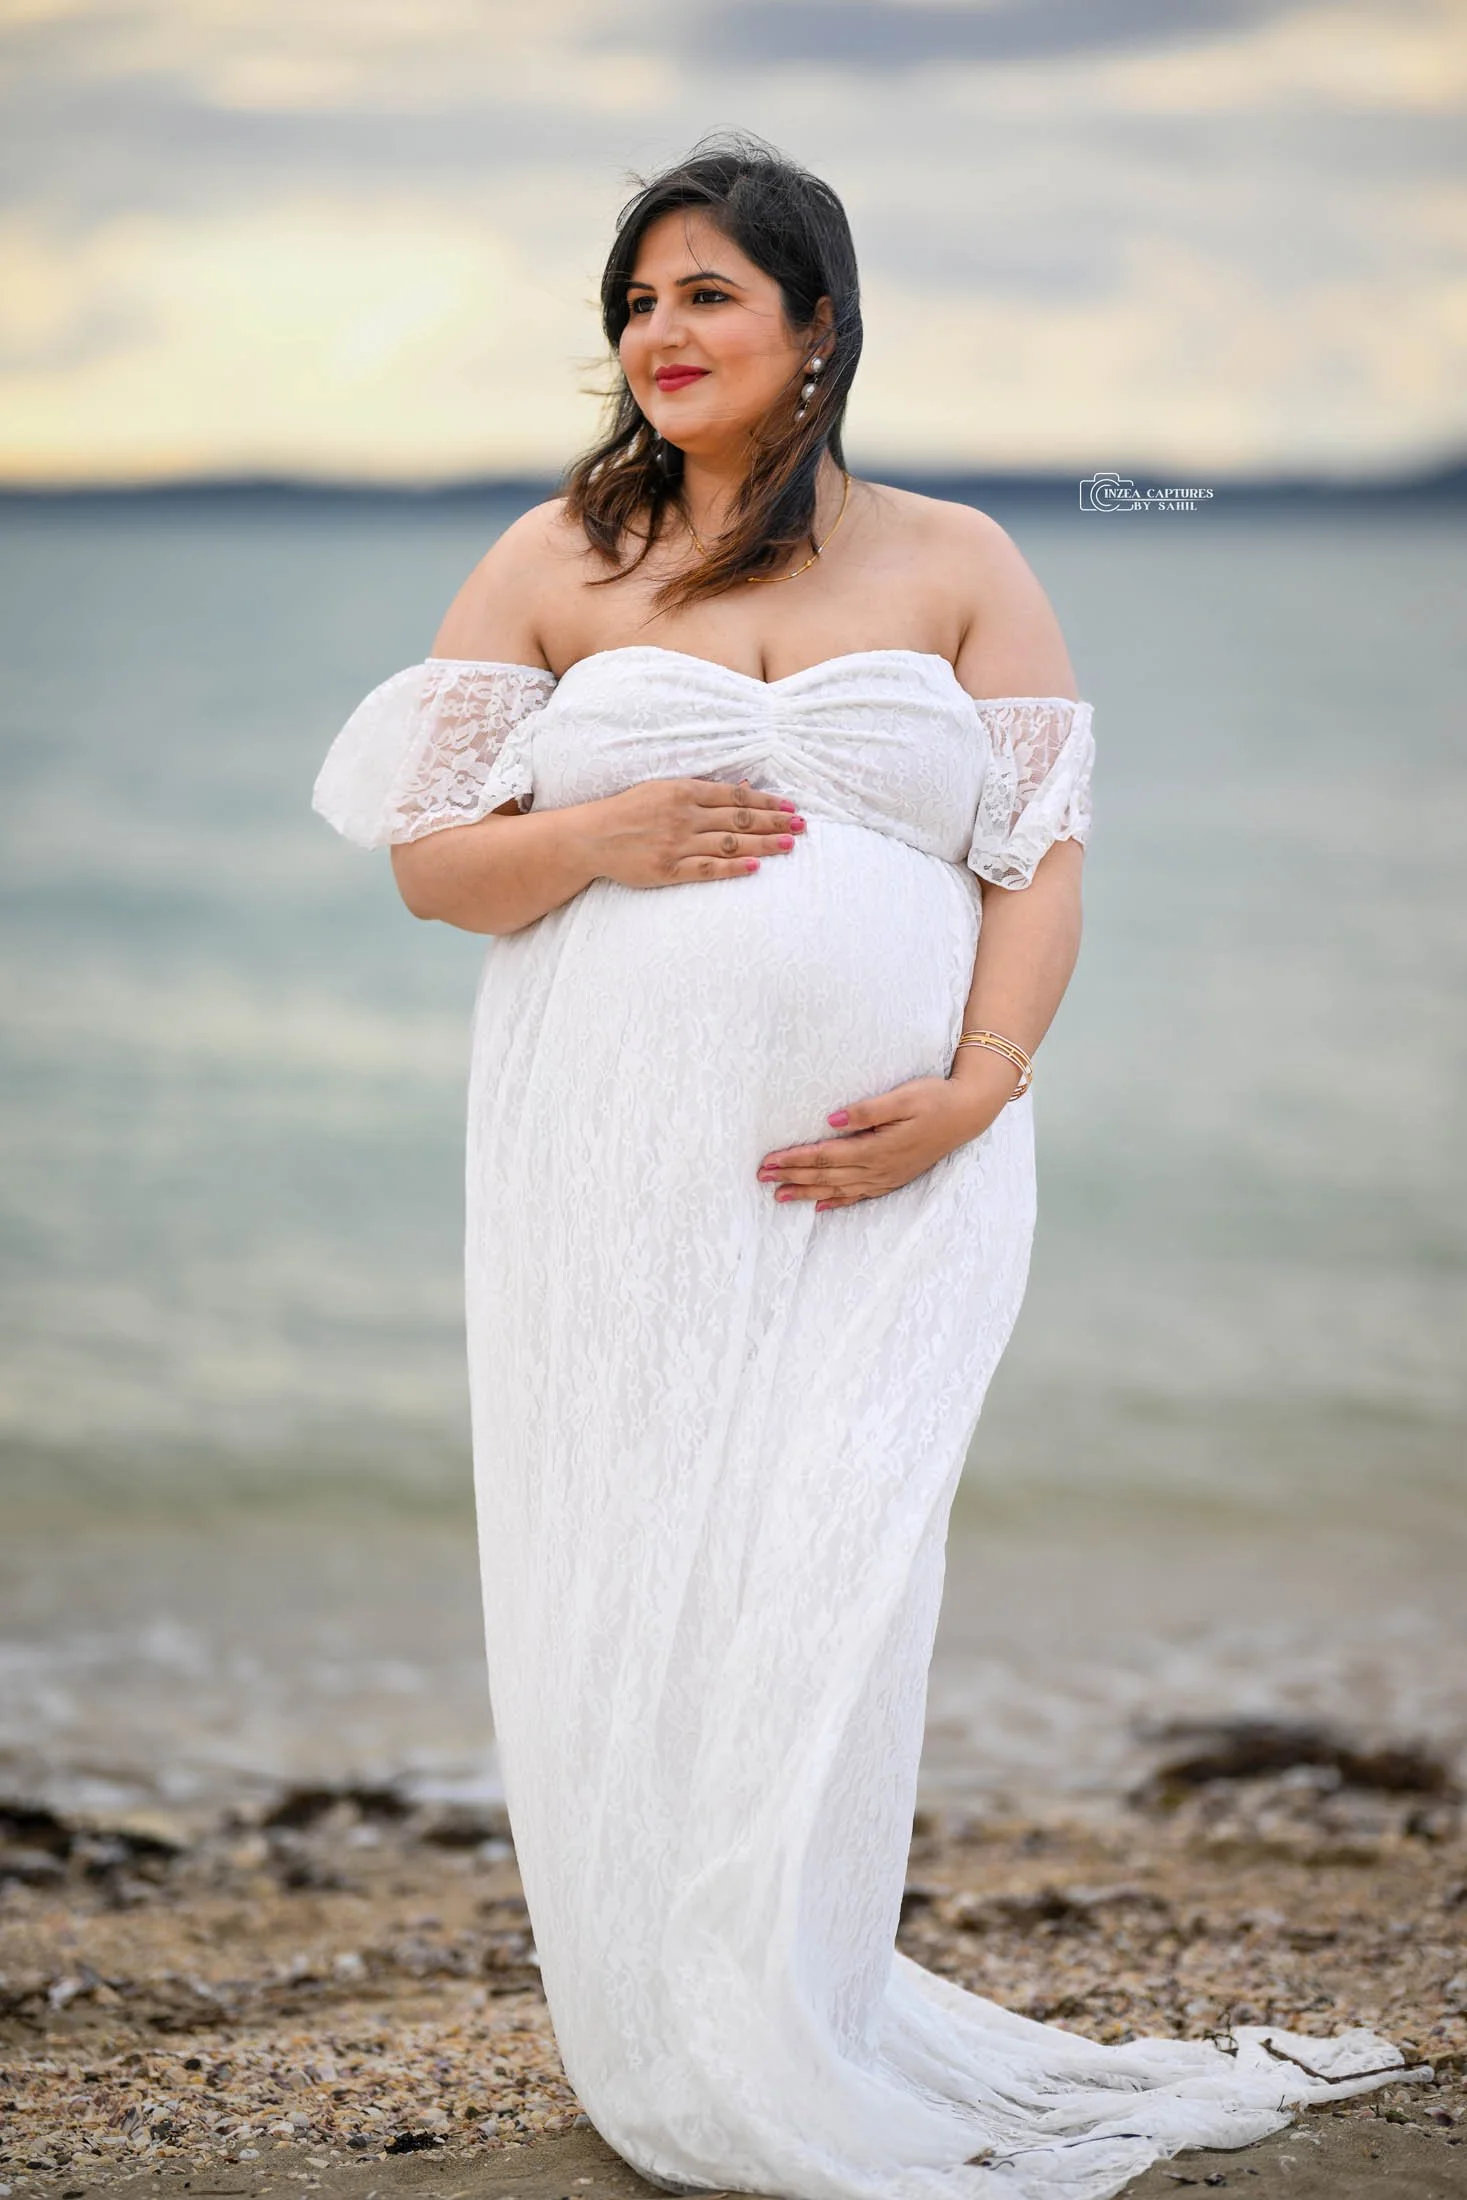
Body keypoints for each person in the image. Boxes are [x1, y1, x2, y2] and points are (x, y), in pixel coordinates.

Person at [313, 139, 1418, 2200]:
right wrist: (593, 839)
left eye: (709, 291)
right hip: (611, 1171)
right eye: (636, 299)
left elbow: (1041, 857)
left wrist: (978, 1084)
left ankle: (794, 1999)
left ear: (815, 323)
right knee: (636, 1564)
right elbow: (429, 864)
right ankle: (664, 2017)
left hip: (898, 1162)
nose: (661, 331)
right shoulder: (556, 557)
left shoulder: (957, 558)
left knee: (828, 1571)